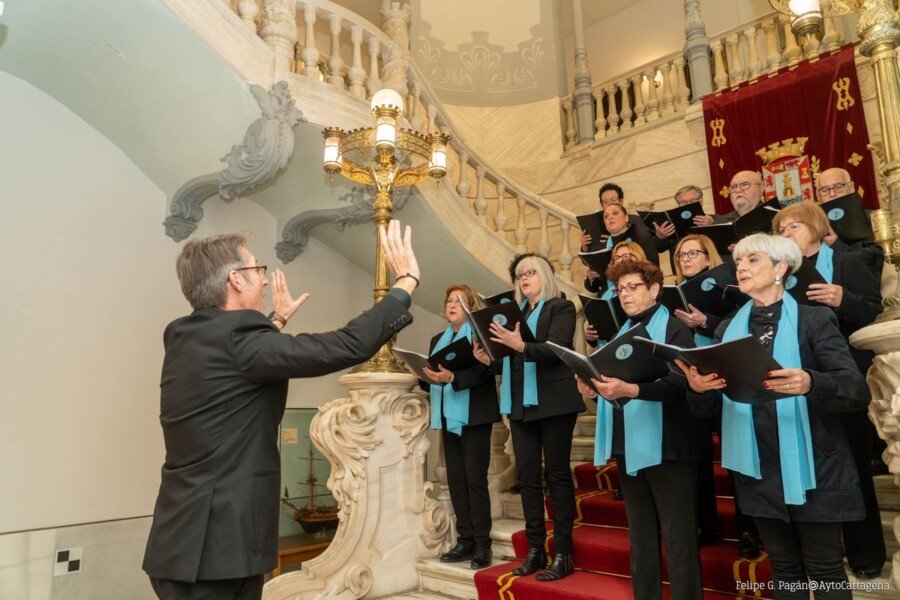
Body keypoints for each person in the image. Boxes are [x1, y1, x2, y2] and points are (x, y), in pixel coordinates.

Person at [143, 221, 421, 600]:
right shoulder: (240, 342)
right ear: (236, 280)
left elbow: (239, 366)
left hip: (183, 542)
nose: (263, 278)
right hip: (216, 552)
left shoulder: (187, 336)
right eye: (258, 269)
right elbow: (347, 345)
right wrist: (404, 284)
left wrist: (275, 322)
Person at [681, 234, 870, 600]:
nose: (741, 267)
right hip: (758, 470)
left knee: (825, 569)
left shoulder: (814, 319)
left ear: (781, 268)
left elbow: (855, 390)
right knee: (783, 569)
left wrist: (811, 382)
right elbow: (712, 410)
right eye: (739, 261)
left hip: (816, 465)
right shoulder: (727, 330)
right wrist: (699, 389)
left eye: (753, 260)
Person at [576, 259, 702, 600]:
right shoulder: (620, 333)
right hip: (628, 443)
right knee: (641, 536)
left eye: (634, 287)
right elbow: (612, 381)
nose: (626, 295)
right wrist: (593, 387)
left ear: (655, 289)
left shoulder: (674, 329)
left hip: (669, 445)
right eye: (620, 290)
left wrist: (630, 390)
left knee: (678, 538)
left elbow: (679, 385)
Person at [772, 202, 885, 578]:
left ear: (817, 226)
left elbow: (872, 310)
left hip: (839, 379)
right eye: (781, 228)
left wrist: (842, 299)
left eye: (793, 226)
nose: (785, 232)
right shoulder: (781, 274)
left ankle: (865, 553)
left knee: (851, 467)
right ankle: (824, 552)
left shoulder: (847, 261)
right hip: (796, 381)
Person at [473, 253, 584, 581]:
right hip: (520, 404)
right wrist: (486, 359)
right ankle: (536, 550)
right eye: (519, 275)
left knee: (559, 476)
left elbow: (558, 350)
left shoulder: (560, 308)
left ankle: (563, 553)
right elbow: (506, 361)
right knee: (528, 479)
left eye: (531, 272)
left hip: (554, 402)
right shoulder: (515, 314)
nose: (524, 279)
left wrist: (520, 345)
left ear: (546, 275)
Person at [421, 284, 500, 571]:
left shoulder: (480, 335)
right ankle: (465, 539)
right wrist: (422, 374)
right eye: (449, 300)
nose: (452, 304)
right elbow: (433, 376)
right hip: (446, 415)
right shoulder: (436, 340)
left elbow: (485, 372)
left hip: (474, 414)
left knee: (474, 481)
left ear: (470, 306)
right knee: (455, 479)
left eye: (459, 301)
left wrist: (452, 376)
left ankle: (483, 544)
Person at [669, 234, 727, 546]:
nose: (687, 259)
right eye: (681, 255)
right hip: (690, 379)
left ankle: (748, 530)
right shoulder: (671, 294)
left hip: (723, 373)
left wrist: (704, 321)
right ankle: (706, 523)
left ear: (708, 257)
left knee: (733, 456)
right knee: (698, 457)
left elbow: (736, 322)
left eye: (694, 253)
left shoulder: (724, 285)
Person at [585, 203, 660, 294]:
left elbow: (654, 270)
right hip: (609, 299)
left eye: (615, 213)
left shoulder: (641, 239)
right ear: (604, 223)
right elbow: (593, 288)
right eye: (606, 216)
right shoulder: (599, 250)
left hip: (638, 294)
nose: (610, 217)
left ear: (626, 217)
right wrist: (591, 278)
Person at [584, 241, 647, 347]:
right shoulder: (607, 294)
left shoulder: (647, 287)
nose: (620, 260)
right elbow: (599, 331)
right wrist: (590, 335)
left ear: (639, 258)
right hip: (608, 351)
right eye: (616, 258)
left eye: (626, 256)